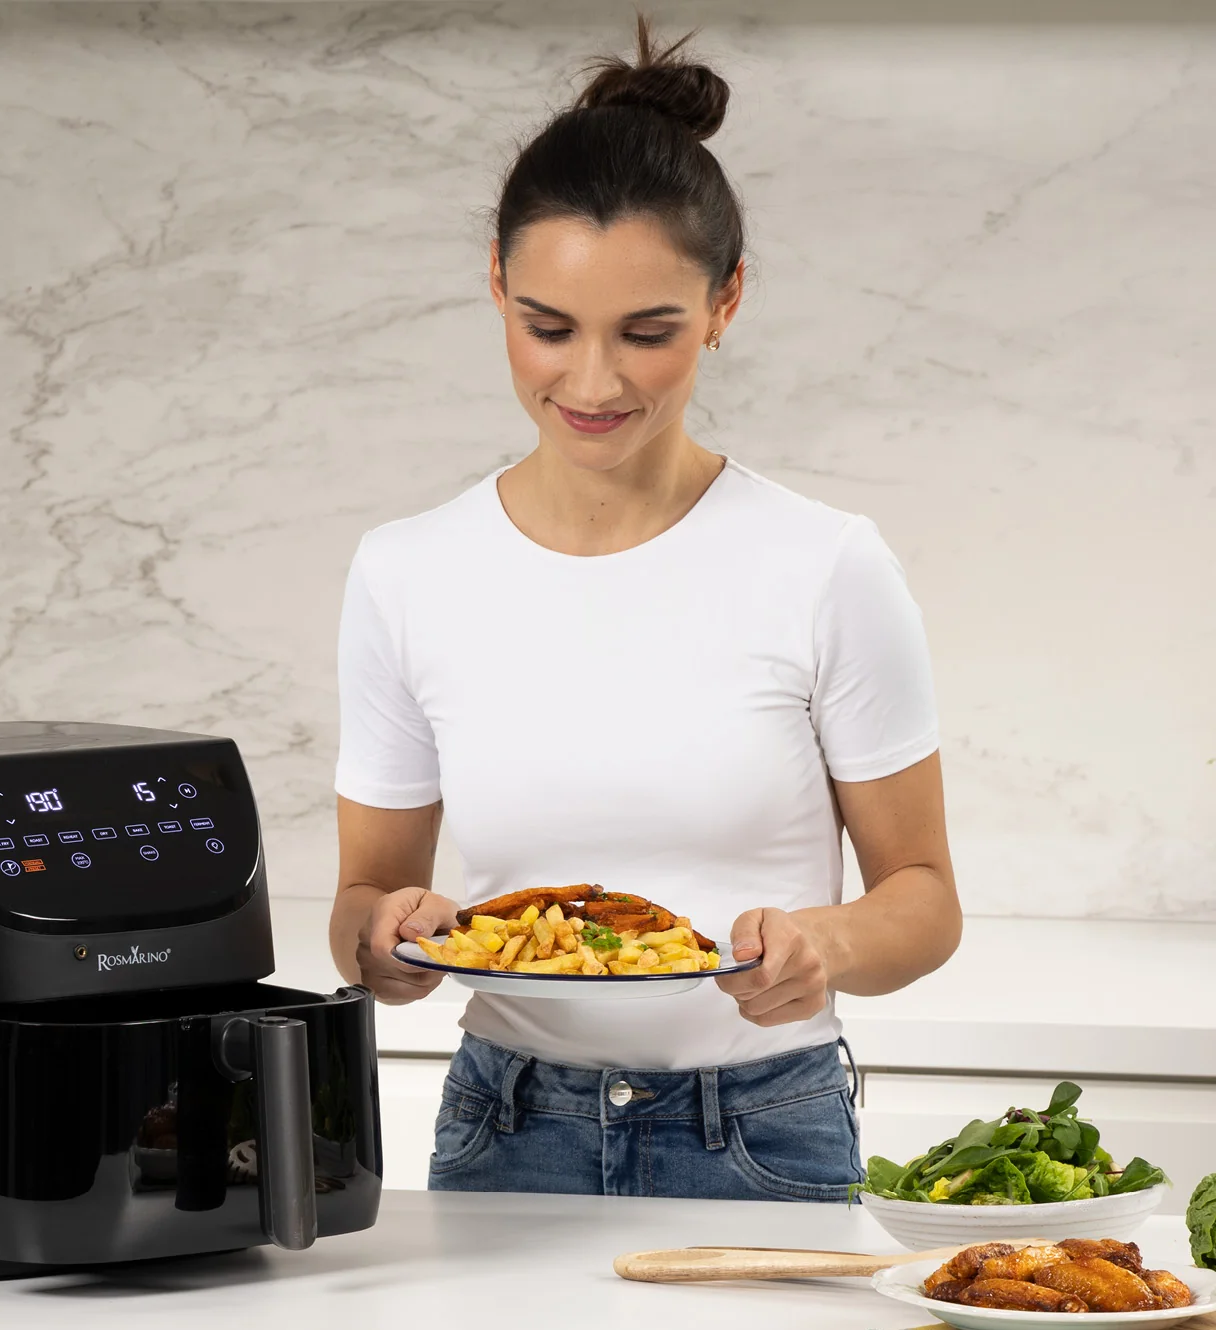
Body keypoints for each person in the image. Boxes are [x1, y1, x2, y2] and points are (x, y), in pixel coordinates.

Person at [328, 20, 961, 1201]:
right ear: (495, 287)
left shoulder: (825, 564)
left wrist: (823, 945)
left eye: (648, 332)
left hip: (758, 1128)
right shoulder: (405, 571)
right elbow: (364, 901)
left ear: (726, 302)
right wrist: (386, 943)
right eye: (547, 327)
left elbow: (923, 898)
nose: (592, 381)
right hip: (505, 1124)